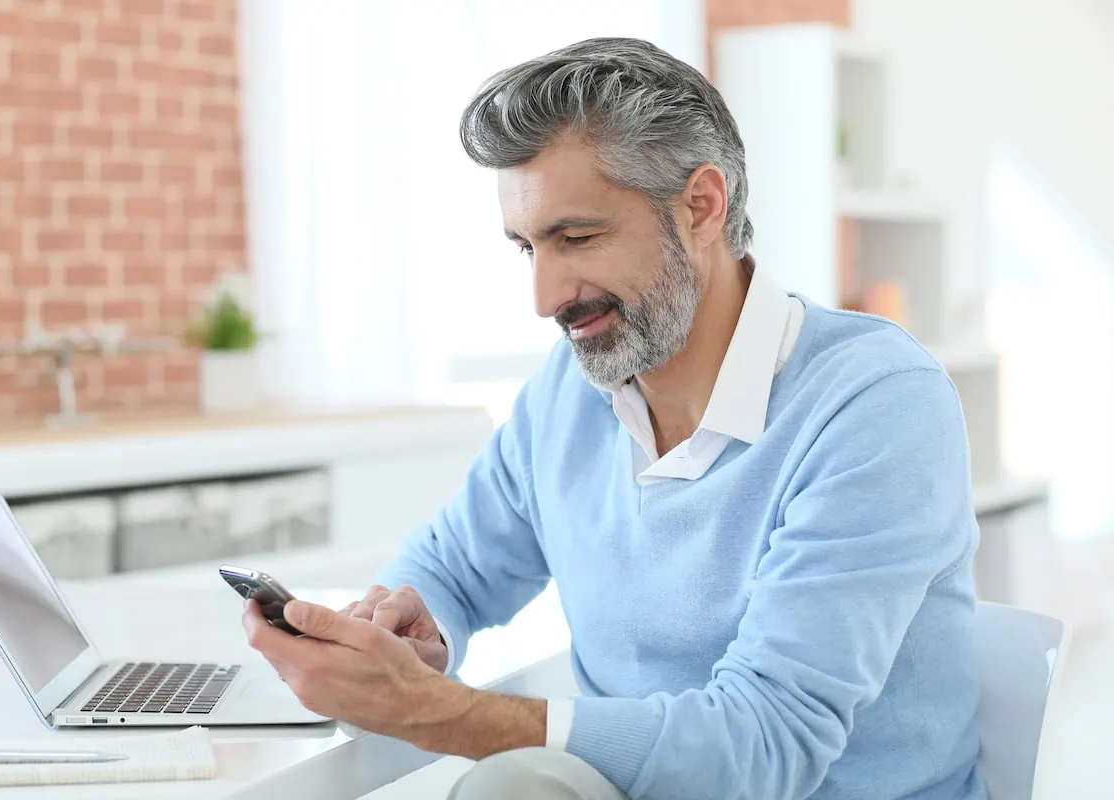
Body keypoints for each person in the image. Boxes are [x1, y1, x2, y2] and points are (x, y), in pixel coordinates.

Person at [242, 37, 987, 799]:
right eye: (526, 246)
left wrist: (438, 713)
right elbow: (451, 565)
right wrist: (408, 623)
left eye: (578, 238)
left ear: (701, 205)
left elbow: (766, 744)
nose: (545, 296)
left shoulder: (875, 404)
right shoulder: (571, 393)